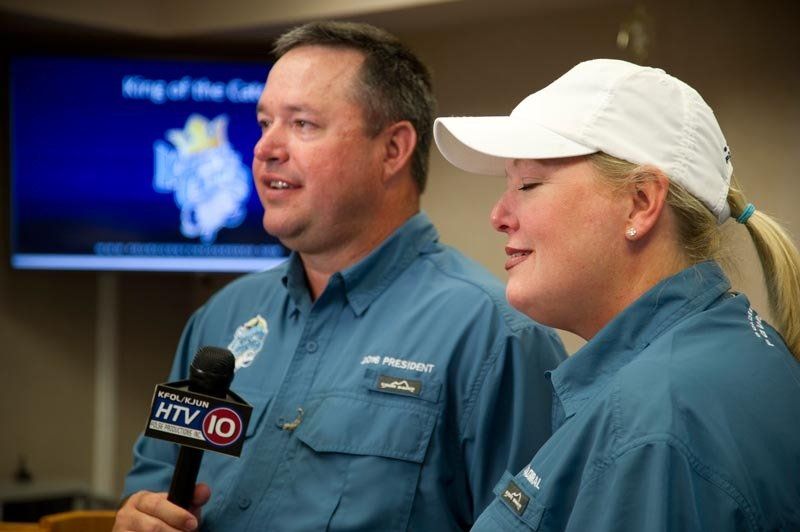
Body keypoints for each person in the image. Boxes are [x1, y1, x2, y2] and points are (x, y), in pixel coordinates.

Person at [114, 21, 566, 532]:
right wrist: (139, 516)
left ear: (393, 150)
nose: (266, 148)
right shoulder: (222, 316)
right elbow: (153, 480)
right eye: (264, 123)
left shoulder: (496, 337)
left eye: (302, 124)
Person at [434, 58, 800, 530]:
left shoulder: (652, 427)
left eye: (527, 184)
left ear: (641, 202)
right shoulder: (726, 351)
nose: (499, 215)